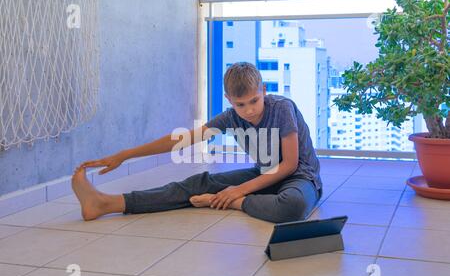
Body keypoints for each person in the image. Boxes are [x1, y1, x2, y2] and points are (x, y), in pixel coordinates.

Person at [71, 62, 322, 223]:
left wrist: (237, 194)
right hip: (264, 175)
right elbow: (181, 140)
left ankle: (230, 203)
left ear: (263, 90)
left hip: (299, 177)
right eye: (240, 104)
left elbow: (289, 165)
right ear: (229, 100)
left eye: (254, 101)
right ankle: (106, 203)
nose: (249, 111)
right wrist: (126, 154)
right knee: (199, 183)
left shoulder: (283, 108)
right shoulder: (231, 118)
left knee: (293, 206)